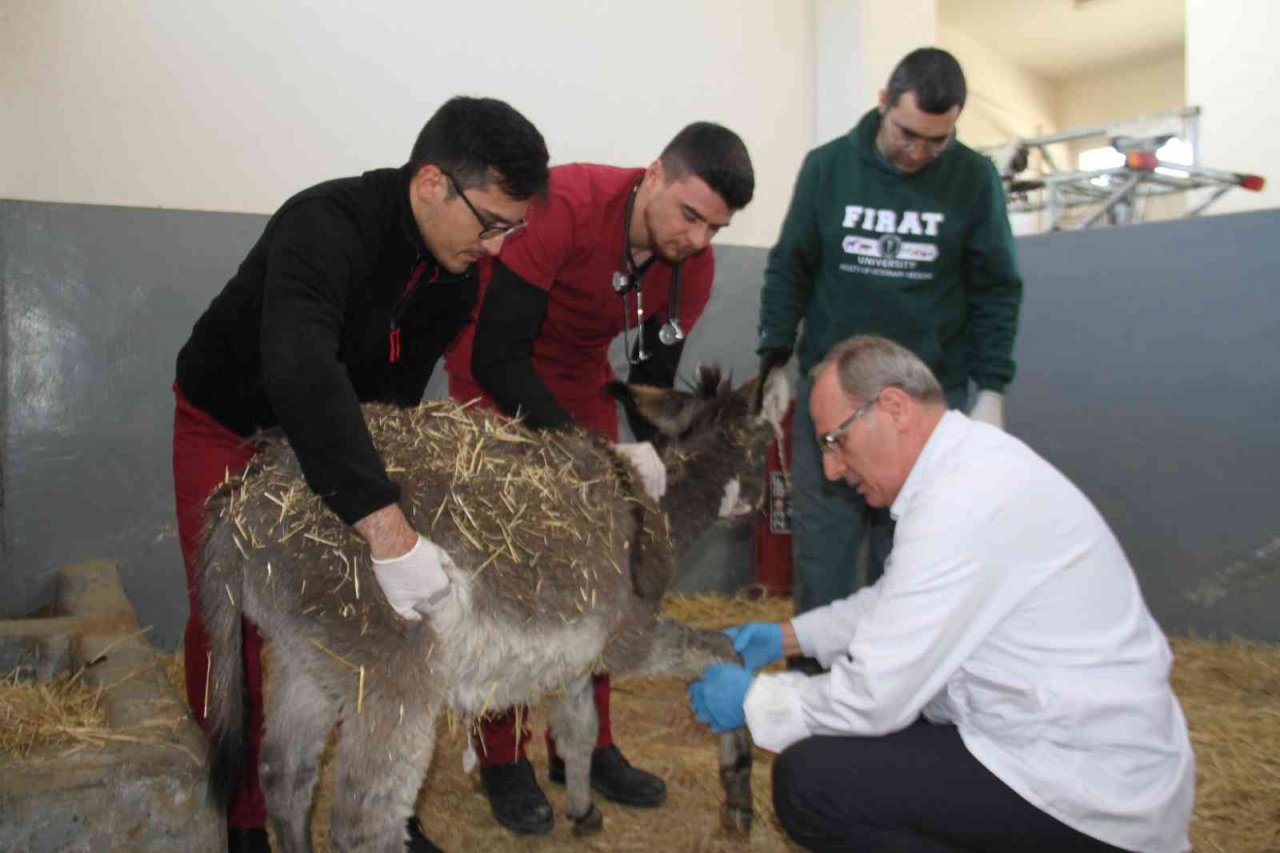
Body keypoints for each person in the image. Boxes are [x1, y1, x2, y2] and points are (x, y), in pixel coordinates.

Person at [171, 96, 549, 853]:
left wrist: (397, 517)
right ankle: (244, 816)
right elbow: (301, 368)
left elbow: (388, 406)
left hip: (335, 440)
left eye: (513, 228)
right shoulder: (324, 223)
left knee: (376, 619)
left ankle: (384, 811)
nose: (499, 247)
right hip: (233, 426)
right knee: (228, 616)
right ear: (433, 183)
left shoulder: (455, 276)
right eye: (492, 222)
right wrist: (384, 526)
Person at [688, 335, 1195, 852]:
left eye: (834, 441)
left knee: (813, 784)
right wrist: (788, 637)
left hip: (1081, 785)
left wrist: (754, 700)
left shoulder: (961, 502)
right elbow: (900, 603)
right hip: (1062, 747)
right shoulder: (968, 467)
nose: (832, 469)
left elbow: (874, 698)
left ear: (893, 407)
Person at [445, 121, 754, 834]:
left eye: (717, 226)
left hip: (582, 378)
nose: (699, 238)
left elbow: (650, 382)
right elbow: (499, 351)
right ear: (652, 174)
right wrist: (591, 454)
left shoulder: (691, 267)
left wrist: (660, 462)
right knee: (508, 571)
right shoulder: (570, 203)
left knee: (607, 567)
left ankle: (586, 744)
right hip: (495, 372)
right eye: (690, 214)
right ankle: (500, 755)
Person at [756, 47, 1024, 628]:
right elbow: (790, 267)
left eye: (938, 139)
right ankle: (815, 702)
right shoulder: (828, 168)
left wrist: (992, 388)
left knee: (913, 562)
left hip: (924, 409)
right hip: (834, 404)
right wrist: (775, 358)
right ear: (883, 102)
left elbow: (996, 287)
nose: (919, 151)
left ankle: (899, 701)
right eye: (908, 133)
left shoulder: (973, 180)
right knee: (823, 557)